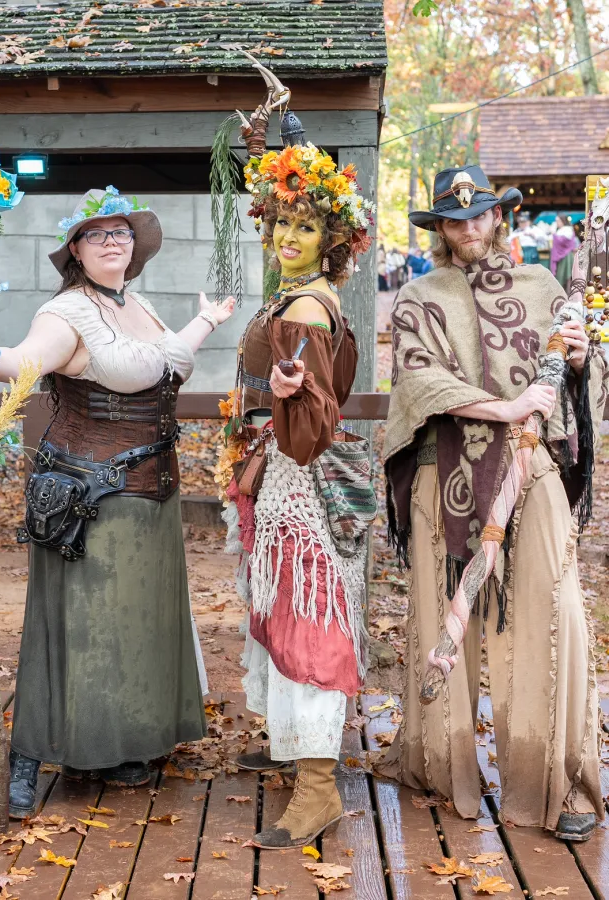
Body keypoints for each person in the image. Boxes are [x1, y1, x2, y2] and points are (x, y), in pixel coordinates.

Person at [0, 187, 234, 819]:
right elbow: (23, 363)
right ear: (75, 251)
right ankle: (33, 752)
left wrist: (211, 318)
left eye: (122, 233)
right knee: (76, 627)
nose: (113, 241)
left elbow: (170, 359)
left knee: (137, 626)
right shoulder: (68, 313)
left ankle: (125, 741)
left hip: (153, 490)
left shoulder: (137, 304)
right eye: (98, 234)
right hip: (90, 495)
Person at [381, 165, 609, 842]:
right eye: (455, 219)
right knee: (441, 611)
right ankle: (442, 762)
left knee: (552, 611)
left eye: (478, 214)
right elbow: (420, 380)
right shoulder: (417, 296)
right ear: (440, 229)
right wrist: (505, 405)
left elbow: (573, 379)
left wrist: (574, 359)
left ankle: (555, 777)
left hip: (530, 469)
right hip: (440, 473)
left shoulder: (543, 288)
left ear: (497, 218)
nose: (469, 227)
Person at [218, 137, 376, 849]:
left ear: (332, 239)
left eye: (306, 227)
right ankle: (293, 749)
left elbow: (310, 433)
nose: (288, 237)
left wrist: (286, 399)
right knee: (286, 612)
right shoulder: (299, 296)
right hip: (277, 479)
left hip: (299, 486)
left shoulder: (308, 310)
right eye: (282, 223)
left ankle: (318, 789)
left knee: (310, 617)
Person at [551, 214, 579, 291]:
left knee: (566, 276)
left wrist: (554, 234)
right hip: (561, 256)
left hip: (565, 256)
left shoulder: (567, 230)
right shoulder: (561, 230)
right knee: (561, 275)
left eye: (558, 221)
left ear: (563, 221)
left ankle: (567, 293)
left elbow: (562, 242)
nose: (557, 223)